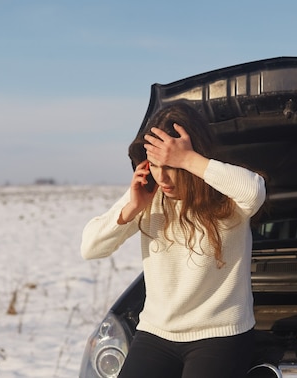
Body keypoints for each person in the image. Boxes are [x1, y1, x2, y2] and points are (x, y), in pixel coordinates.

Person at [81, 102, 267, 378]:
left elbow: (254, 191)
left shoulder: (226, 199)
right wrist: (131, 208)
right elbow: (90, 248)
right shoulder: (149, 196)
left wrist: (187, 159)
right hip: (157, 333)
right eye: (155, 165)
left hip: (218, 334)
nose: (163, 177)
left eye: (172, 166)